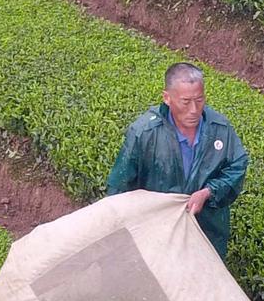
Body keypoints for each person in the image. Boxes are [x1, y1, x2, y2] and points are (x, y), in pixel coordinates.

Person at [105, 61, 249, 259]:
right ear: (167, 98)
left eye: (199, 100)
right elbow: (120, 187)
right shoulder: (145, 133)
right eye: (186, 101)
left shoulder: (220, 129)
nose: (194, 110)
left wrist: (209, 192)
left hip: (207, 234)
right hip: (156, 235)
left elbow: (236, 166)